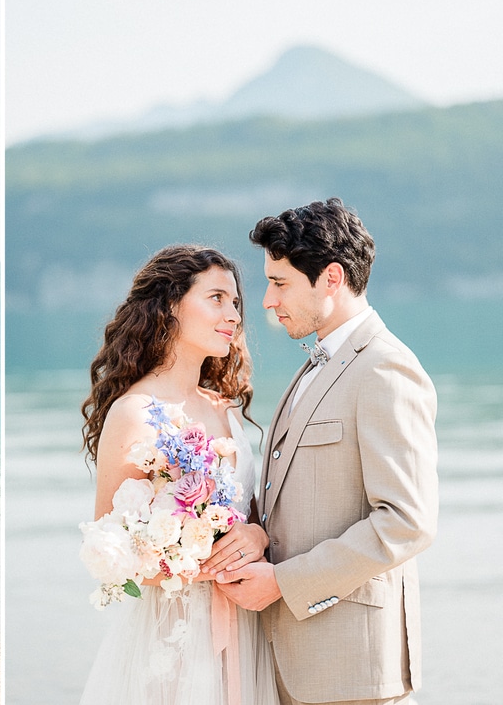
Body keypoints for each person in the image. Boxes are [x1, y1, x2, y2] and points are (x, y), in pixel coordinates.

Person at [214, 199, 438, 705]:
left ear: (331, 278)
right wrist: (255, 532)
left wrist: (283, 582)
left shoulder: (385, 369)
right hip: (292, 659)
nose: (268, 301)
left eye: (281, 283)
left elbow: (407, 521)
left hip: (351, 667)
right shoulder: (318, 361)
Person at [79, 245, 280, 704]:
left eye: (235, 303)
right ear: (171, 305)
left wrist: (256, 537)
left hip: (248, 628)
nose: (233, 315)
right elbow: (110, 553)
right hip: (172, 638)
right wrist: (192, 558)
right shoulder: (135, 413)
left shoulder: (224, 409)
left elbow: (253, 519)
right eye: (216, 298)